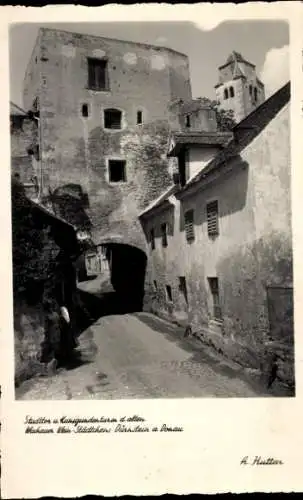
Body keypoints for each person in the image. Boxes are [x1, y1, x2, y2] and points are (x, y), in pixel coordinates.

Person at [40, 299, 61, 374]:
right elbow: (59, 324)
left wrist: (46, 337)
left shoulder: (47, 316)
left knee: (48, 352)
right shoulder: (56, 314)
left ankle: (48, 368)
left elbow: (46, 329)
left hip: (51, 335)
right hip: (57, 334)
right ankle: (53, 368)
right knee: (54, 350)